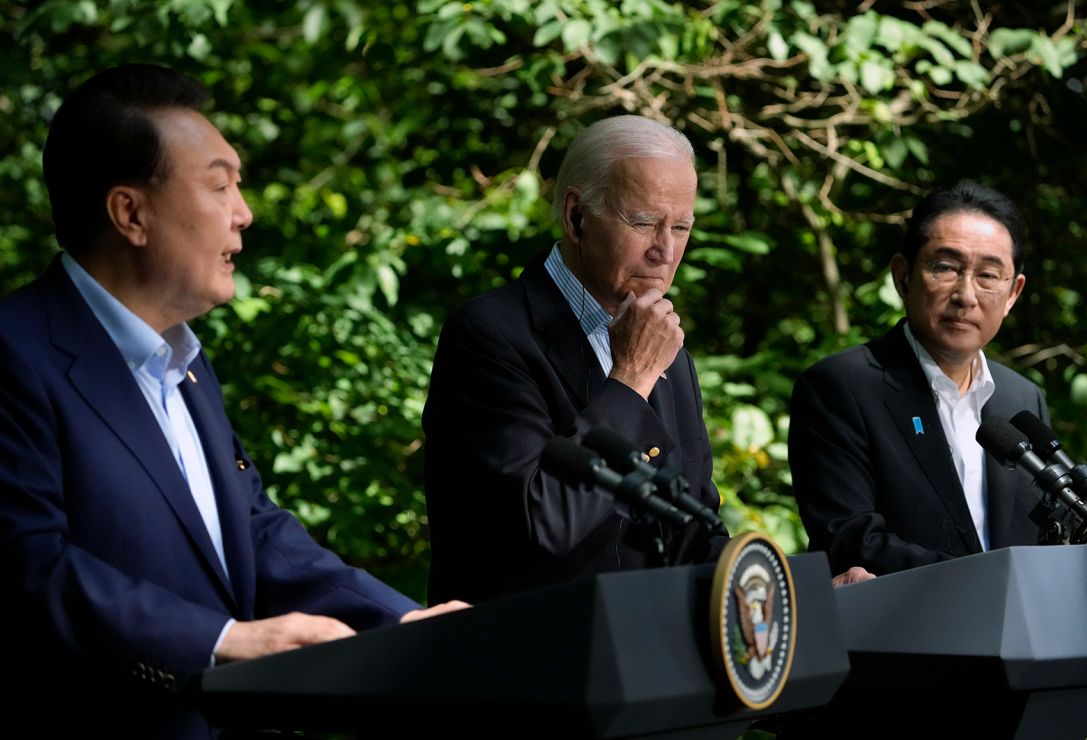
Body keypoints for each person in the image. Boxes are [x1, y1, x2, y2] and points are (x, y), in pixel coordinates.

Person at [0, 64, 465, 738]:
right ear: (130, 213)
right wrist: (220, 639)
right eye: (219, 186)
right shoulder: (16, 353)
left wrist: (397, 620)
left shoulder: (186, 362)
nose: (244, 213)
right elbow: (28, 569)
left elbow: (253, 530)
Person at [421, 115, 724, 604]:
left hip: (653, 654)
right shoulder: (488, 336)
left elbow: (694, 530)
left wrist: (791, 590)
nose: (664, 251)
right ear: (576, 216)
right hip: (527, 659)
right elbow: (539, 530)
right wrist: (631, 380)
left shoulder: (668, 350)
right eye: (644, 222)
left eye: (682, 226)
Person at [788, 180, 1050, 577]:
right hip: (900, 629)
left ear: (1013, 293)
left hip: (1019, 635)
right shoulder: (841, 386)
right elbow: (850, 537)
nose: (966, 294)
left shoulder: (1023, 398)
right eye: (945, 267)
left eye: (988, 276)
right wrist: (990, 584)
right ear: (904, 276)